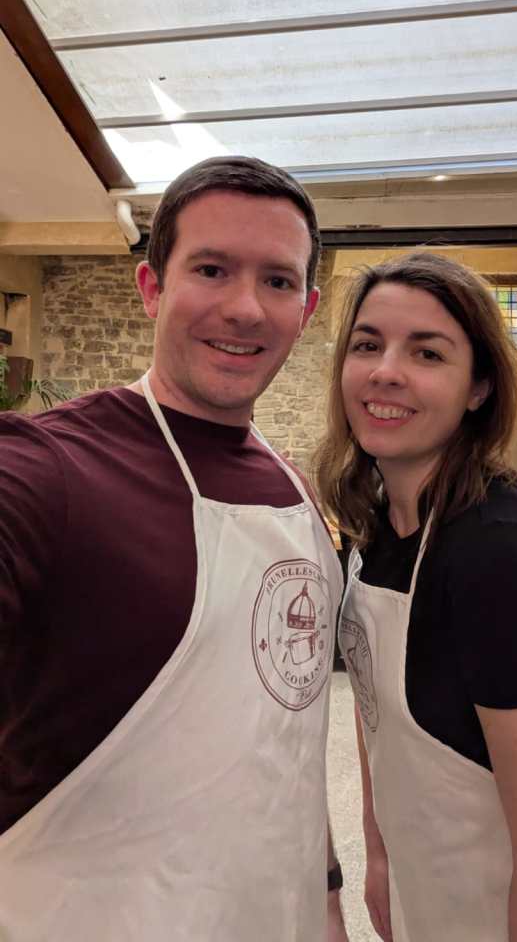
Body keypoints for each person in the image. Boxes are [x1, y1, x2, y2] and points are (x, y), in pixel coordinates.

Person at [0, 156, 346, 941]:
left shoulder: (293, 489)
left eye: (279, 281)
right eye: (213, 269)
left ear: (308, 307)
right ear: (151, 287)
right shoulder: (50, 468)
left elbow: (286, 732)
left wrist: (326, 892)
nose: (246, 308)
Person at [315, 252, 517, 942]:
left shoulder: (497, 553)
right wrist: (378, 856)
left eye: (427, 353)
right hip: (423, 890)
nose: (386, 370)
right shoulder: (380, 522)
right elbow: (376, 708)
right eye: (368, 344)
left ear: (478, 387)